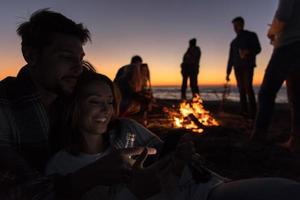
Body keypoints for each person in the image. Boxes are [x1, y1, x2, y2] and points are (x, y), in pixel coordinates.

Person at [0, 9, 155, 199]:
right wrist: (90, 175)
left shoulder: (74, 96)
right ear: (31, 56)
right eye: (66, 57)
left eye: (80, 59)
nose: (78, 68)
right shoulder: (6, 107)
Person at [251, 0, 300, 153]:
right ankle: (296, 140)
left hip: (287, 47)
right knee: (296, 96)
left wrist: (272, 32)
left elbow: (283, 16)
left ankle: (258, 137)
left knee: (266, 92)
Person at [226, 17, 261, 118]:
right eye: (234, 26)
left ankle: (254, 112)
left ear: (242, 24)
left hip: (248, 65)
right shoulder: (233, 42)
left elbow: (258, 49)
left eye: (237, 25)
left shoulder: (251, 35)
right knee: (241, 89)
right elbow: (230, 58)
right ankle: (243, 111)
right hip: (237, 67)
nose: (235, 28)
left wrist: (248, 51)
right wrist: (228, 72)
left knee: (248, 88)